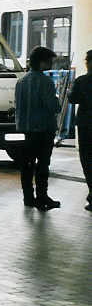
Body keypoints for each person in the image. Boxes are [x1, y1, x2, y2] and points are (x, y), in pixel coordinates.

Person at [14, 46, 61, 210]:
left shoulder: (21, 82)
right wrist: (58, 101)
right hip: (43, 130)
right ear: (42, 63)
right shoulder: (46, 82)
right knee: (42, 165)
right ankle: (42, 197)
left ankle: (28, 197)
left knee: (26, 165)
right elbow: (54, 107)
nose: (51, 64)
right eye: (49, 61)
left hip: (25, 130)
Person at [67, 49, 92, 212]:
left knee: (87, 160)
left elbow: (72, 99)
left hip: (86, 125)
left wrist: (70, 90)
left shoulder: (82, 81)